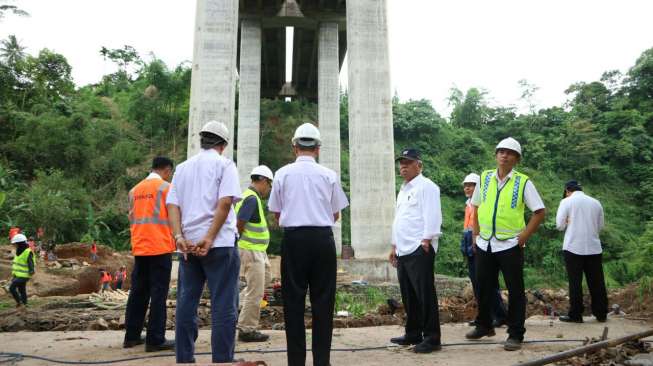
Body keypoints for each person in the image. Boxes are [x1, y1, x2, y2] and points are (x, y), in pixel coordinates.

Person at [268, 122, 349, 366]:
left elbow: (277, 213)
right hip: (322, 240)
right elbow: (335, 214)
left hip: (294, 241)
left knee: (293, 302)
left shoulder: (281, 174)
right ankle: (321, 362)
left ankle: (296, 362)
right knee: (323, 302)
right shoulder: (329, 175)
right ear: (318, 148)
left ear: (294, 147)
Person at [166, 120, 242, 364]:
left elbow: (172, 205)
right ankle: (221, 359)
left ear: (202, 141)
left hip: (188, 246)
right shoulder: (225, 165)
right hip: (219, 245)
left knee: (186, 303)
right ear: (223, 145)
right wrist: (209, 237)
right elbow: (225, 202)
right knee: (223, 304)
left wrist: (179, 237)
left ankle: (185, 358)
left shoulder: (183, 168)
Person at [465, 137, 546, 351]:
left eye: (509, 152)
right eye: (501, 151)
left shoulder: (523, 182)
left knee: (515, 290)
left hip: (510, 245)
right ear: (496, 155)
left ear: (516, 159)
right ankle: (484, 325)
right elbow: (476, 207)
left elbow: (539, 212)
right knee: (482, 287)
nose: (504, 155)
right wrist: (475, 236)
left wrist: (523, 237)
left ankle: (516, 333)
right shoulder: (485, 177)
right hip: (485, 244)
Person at [388, 148, 442, 353]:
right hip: (403, 248)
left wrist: (427, 239)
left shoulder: (427, 187)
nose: (403, 166)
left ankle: (432, 338)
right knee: (409, 294)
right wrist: (394, 245)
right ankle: (413, 333)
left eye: (408, 162)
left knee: (424, 294)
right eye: (401, 162)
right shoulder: (403, 189)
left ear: (419, 165)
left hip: (419, 247)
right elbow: (400, 219)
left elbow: (432, 214)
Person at [123, 156, 176, 352]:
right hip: (160, 247)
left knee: (138, 292)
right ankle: (155, 339)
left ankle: (131, 336)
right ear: (167, 170)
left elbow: (131, 218)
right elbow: (173, 216)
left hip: (140, 247)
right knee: (158, 294)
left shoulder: (134, 190)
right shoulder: (166, 188)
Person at [556, 180, 607, 323]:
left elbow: (559, 226)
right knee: (597, 282)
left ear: (567, 190)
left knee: (575, 282)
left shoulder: (566, 202)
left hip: (573, 247)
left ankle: (576, 315)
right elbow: (600, 226)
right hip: (593, 247)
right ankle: (601, 313)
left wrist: (568, 221)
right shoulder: (596, 202)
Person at [460, 173, 507, 328]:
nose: (467, 187)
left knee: (487, 282)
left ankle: (499, 315)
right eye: (466, 185)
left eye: (471, 185)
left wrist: (476, 241)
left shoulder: (483, 204)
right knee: (477, 283)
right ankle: (485, 316)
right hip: (470, 243)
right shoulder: (468, 204)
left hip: (480, 244)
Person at [235, 165, 274, 342]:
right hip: (251, 250)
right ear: (263, 181)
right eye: (269, 185)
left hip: (258, 251)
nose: (269, 189)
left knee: (265, 279)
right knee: (256, 291)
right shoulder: (251, 199)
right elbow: (239, 223)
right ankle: (247, 329)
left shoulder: (249, 196)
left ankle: (239, 304)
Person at [9, 233, 35, 308]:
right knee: (21, 290)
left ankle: (19, 302)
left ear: (20, 244)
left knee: (11, 288)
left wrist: (31, 271)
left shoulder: (27, 252)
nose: (15, 245)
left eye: (15, 244)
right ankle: (25, 303)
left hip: (25, 275)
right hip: (18, 275)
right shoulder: (18, 251)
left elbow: (31, 263)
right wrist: (14, 275)